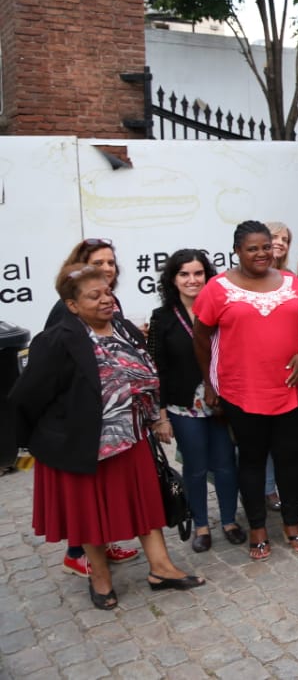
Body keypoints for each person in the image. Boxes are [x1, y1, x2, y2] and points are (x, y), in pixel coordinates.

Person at [11, 264, 204, 609]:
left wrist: (152, 418)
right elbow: (27, 396)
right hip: (83, 446)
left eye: (107, 292)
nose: (105, 299)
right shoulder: (57, 341)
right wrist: (42, 440)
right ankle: (100, 578)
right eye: (94, 295)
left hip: (130, 438)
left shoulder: (126, 328)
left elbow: (148, 373)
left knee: (146, 504)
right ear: (72, 305)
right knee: (89, 514)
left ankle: (161, 569)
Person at [193, 221, 298, 560]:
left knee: (290, 461)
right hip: (242, 392)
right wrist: (209, 383)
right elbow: (201, 337)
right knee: (250, 462)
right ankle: (258, 528)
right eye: (253, 248)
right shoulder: (218, 288)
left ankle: (292, 523)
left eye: (266, 246)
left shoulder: (292, 282)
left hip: (288, 389)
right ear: (237, 251)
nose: (262, 253)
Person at [47, 238, 140, 574]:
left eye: (111, 263)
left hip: (113, 420)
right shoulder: (66, 311)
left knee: (104, 492)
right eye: (98, 263)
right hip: (84, 423)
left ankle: (105, 545)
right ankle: (78, 552)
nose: (106, 269)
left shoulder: (109, 302)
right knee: (85, 497)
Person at [148, 249, 243, 553]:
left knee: (227, 464)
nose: (192, 280)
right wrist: (160, 416)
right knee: (196, 467)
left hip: (222, 404)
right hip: (182, 405)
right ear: (173, 279)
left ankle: (229, 520)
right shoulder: (162, 317)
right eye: (184, 274)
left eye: (198, 273)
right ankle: (201, 525)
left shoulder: (223, 309)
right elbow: (156, 369)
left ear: (207, 275)